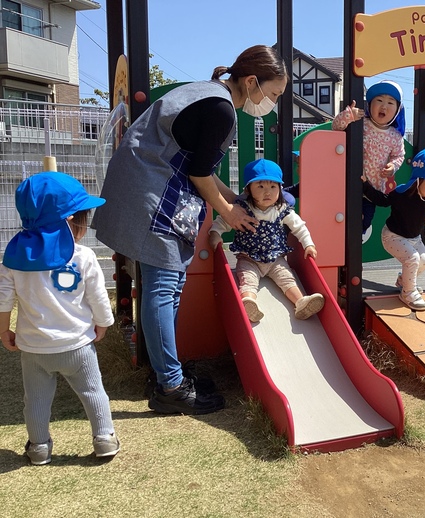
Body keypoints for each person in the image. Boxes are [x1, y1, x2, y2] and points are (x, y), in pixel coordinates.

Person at [92, 45, 288, 415]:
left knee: (167, 285)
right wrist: (230, 213)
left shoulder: (208, 92)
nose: (272, 103)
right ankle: (170, 386)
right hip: (151, 191)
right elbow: (199, 174)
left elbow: (202, 166)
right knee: (163, 286)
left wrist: (236, 200)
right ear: (251, 81)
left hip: (148, 184)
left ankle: (168, 371)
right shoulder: (221, 108)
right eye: (274, 94)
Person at [0, 172, 120, 465]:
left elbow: (3, 298)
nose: (84, 224)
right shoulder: (83, 256)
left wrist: (4, 331)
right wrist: (103, 323)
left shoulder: (14, 257)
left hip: (33, 349)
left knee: (36, 401)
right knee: (93, 392)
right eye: (82, 217)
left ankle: (39, 447)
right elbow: (98, 297)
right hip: (78, 345)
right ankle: (104, 438)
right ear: (69, 220)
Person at [208, 159, 324, 323]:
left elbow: (299, 227)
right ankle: (248, 303)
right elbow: (223, 221)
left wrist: (308, 244)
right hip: (248, 258)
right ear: (248, 189)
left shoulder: (282, 210)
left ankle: (300, 302)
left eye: (273, 186)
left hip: (275, 259)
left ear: (280, 189)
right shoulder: (242, 210)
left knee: (287, 278)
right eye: (260, 186)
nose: (267, 192)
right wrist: (215, 233)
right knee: (248, 280)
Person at [362, 148, 425, 311]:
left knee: (424, 261)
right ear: (417, 180)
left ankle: (403, 282)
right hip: (393, 236)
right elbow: (382, 200)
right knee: (412, 258)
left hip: (414, 239)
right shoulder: (402, 194)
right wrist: (364, 185)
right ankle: (407, 292)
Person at [332, 80, 406, 233]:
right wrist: (348, 116)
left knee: (366, 220)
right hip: (349, 182)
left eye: (390, 102)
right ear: (369, 105)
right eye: (379, 100)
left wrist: (393, 166)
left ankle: (355, 239)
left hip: (372, 189)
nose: (384, 106)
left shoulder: (395, 136)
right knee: (341, 214)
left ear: (398, 110)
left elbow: (399, 156)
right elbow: (336, 127)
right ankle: (340, 238)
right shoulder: (361, 123)